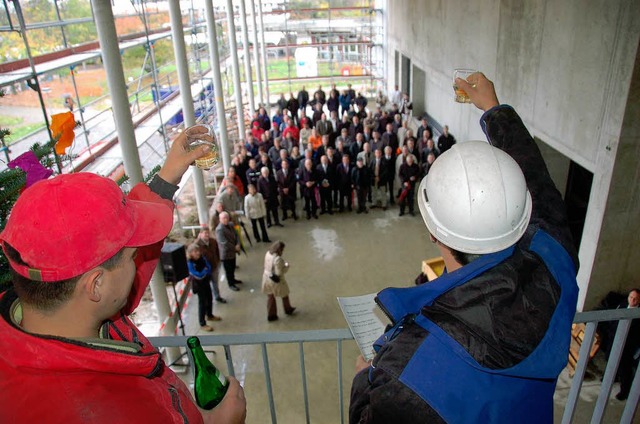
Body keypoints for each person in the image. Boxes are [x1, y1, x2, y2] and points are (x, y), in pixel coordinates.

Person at [349, 73, 579, 423]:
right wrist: (494, 108)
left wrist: (360, 382)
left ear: (433, 232)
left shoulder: (409, 368)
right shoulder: (554, 264)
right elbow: (542, 191)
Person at [0, 132, 246, 422]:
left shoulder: (66, 314)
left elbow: (116, 268)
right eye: (132, 257)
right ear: (96, 285)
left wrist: (166, 179)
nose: (137, 259)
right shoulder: (98, 410)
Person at [187, 244, 221, 332]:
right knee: (202, 303)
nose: (197, 253)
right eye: (195, 252)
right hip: (199, 286)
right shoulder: (190, 263)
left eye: (198, 251)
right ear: (190, 253)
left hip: (206, 282)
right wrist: (204, 271)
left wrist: (205, 271)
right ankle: (202, 323)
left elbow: (208, 266)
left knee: (209, 298)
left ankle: (209, 315)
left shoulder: (202, 258)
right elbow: (197, 274)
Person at [261, 241, 296, 322]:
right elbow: (279, 273)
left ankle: (271, 315)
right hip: (276, 281)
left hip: (266, 277)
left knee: (270, 296)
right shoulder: (278, 259)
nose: (282, 251)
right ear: (279, 249)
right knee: (284, 294)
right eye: (282, 250)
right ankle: (288, 309)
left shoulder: (267, 253)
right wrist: (286, 265)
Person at [195, 227, 226, 304]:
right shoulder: (197, 245)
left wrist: (218, 261)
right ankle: (208, 300)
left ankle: (217, 296)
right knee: (206, 286)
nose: (207, 235)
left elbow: (217, 251)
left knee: (215, 283)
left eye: (208, 233)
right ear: (200, 234)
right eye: (205, 233)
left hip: (214, 267)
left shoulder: (213, 241)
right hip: (204, 270)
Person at [216, 211, 242, 292]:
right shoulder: (219, 229)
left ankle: (233, 279)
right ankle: (231, 284)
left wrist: (238, 244)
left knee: (233, 267)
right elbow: (224, 243)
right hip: (226, 254)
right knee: (228, 270)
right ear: (220, 219)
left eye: (226, 217)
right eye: (223, 218)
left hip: (233, 252)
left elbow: (236, 235)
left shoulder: (231, 225)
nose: (225, 219)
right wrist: (235, 247)